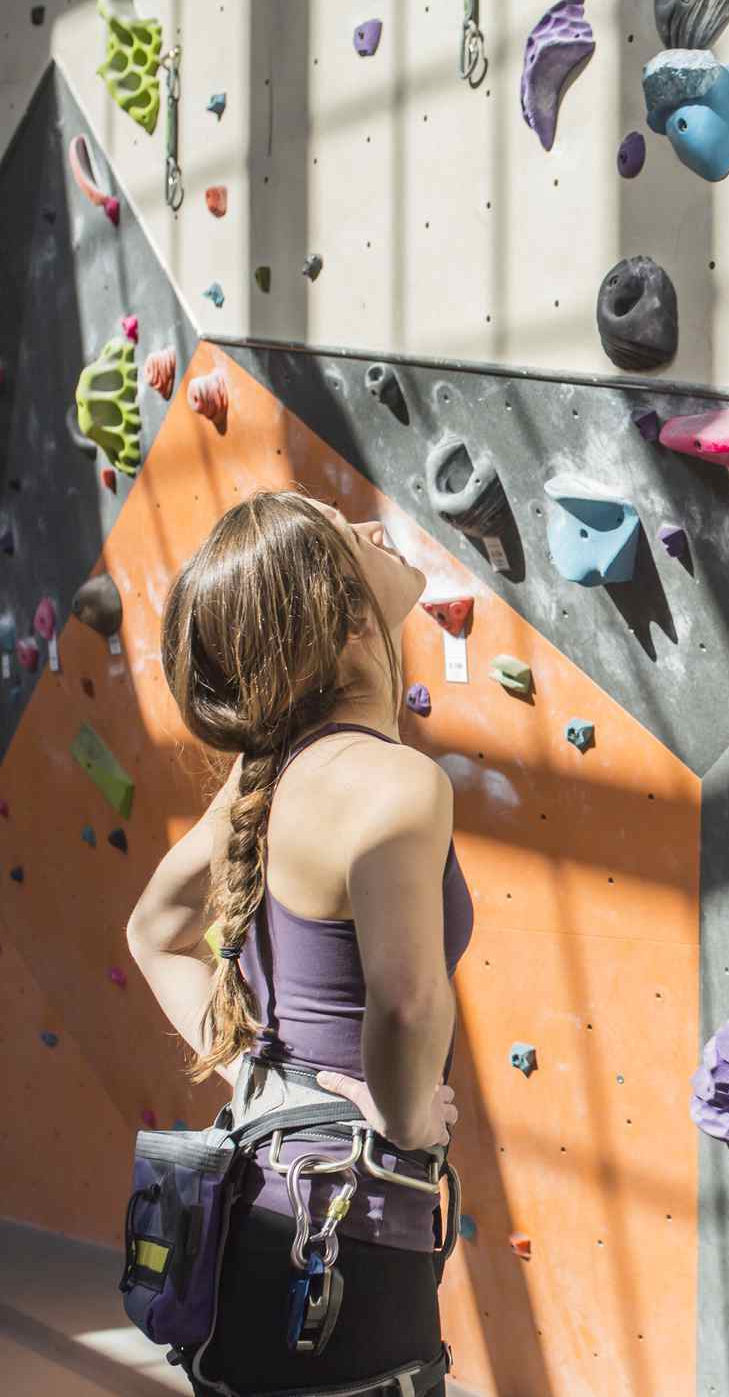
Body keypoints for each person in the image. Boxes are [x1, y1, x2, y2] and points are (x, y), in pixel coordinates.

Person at [125, 491, 475, 1396]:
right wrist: (405, 1121)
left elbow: (155, 933)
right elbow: (403, 1003)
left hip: (251, 1230)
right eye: (341, 531)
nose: (368, 525)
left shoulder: (264, 771)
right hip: (344, 1249)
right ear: (342, 611)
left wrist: (257, 1078)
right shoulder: (396, 783)